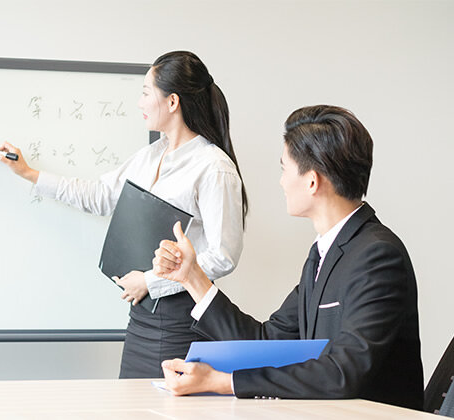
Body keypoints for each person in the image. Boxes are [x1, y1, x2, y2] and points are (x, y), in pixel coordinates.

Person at [152, 105, 424, 410]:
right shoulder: (324, 253)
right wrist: (193, 278)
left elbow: (343, 372)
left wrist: (223, 382)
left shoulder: (377, 256)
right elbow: (266, 342)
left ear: (312, 181)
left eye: (284, 169)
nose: (281, 182)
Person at [0, 51, 248, 379]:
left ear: (172, 101)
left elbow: (223, 256)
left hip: (180, 318)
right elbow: (100, 196)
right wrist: (29, 174)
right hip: (142, 315)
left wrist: (150, 281)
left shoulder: (213, 167)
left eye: (145, 93)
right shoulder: (151, 155)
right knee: (130, 401)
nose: (140, 103)